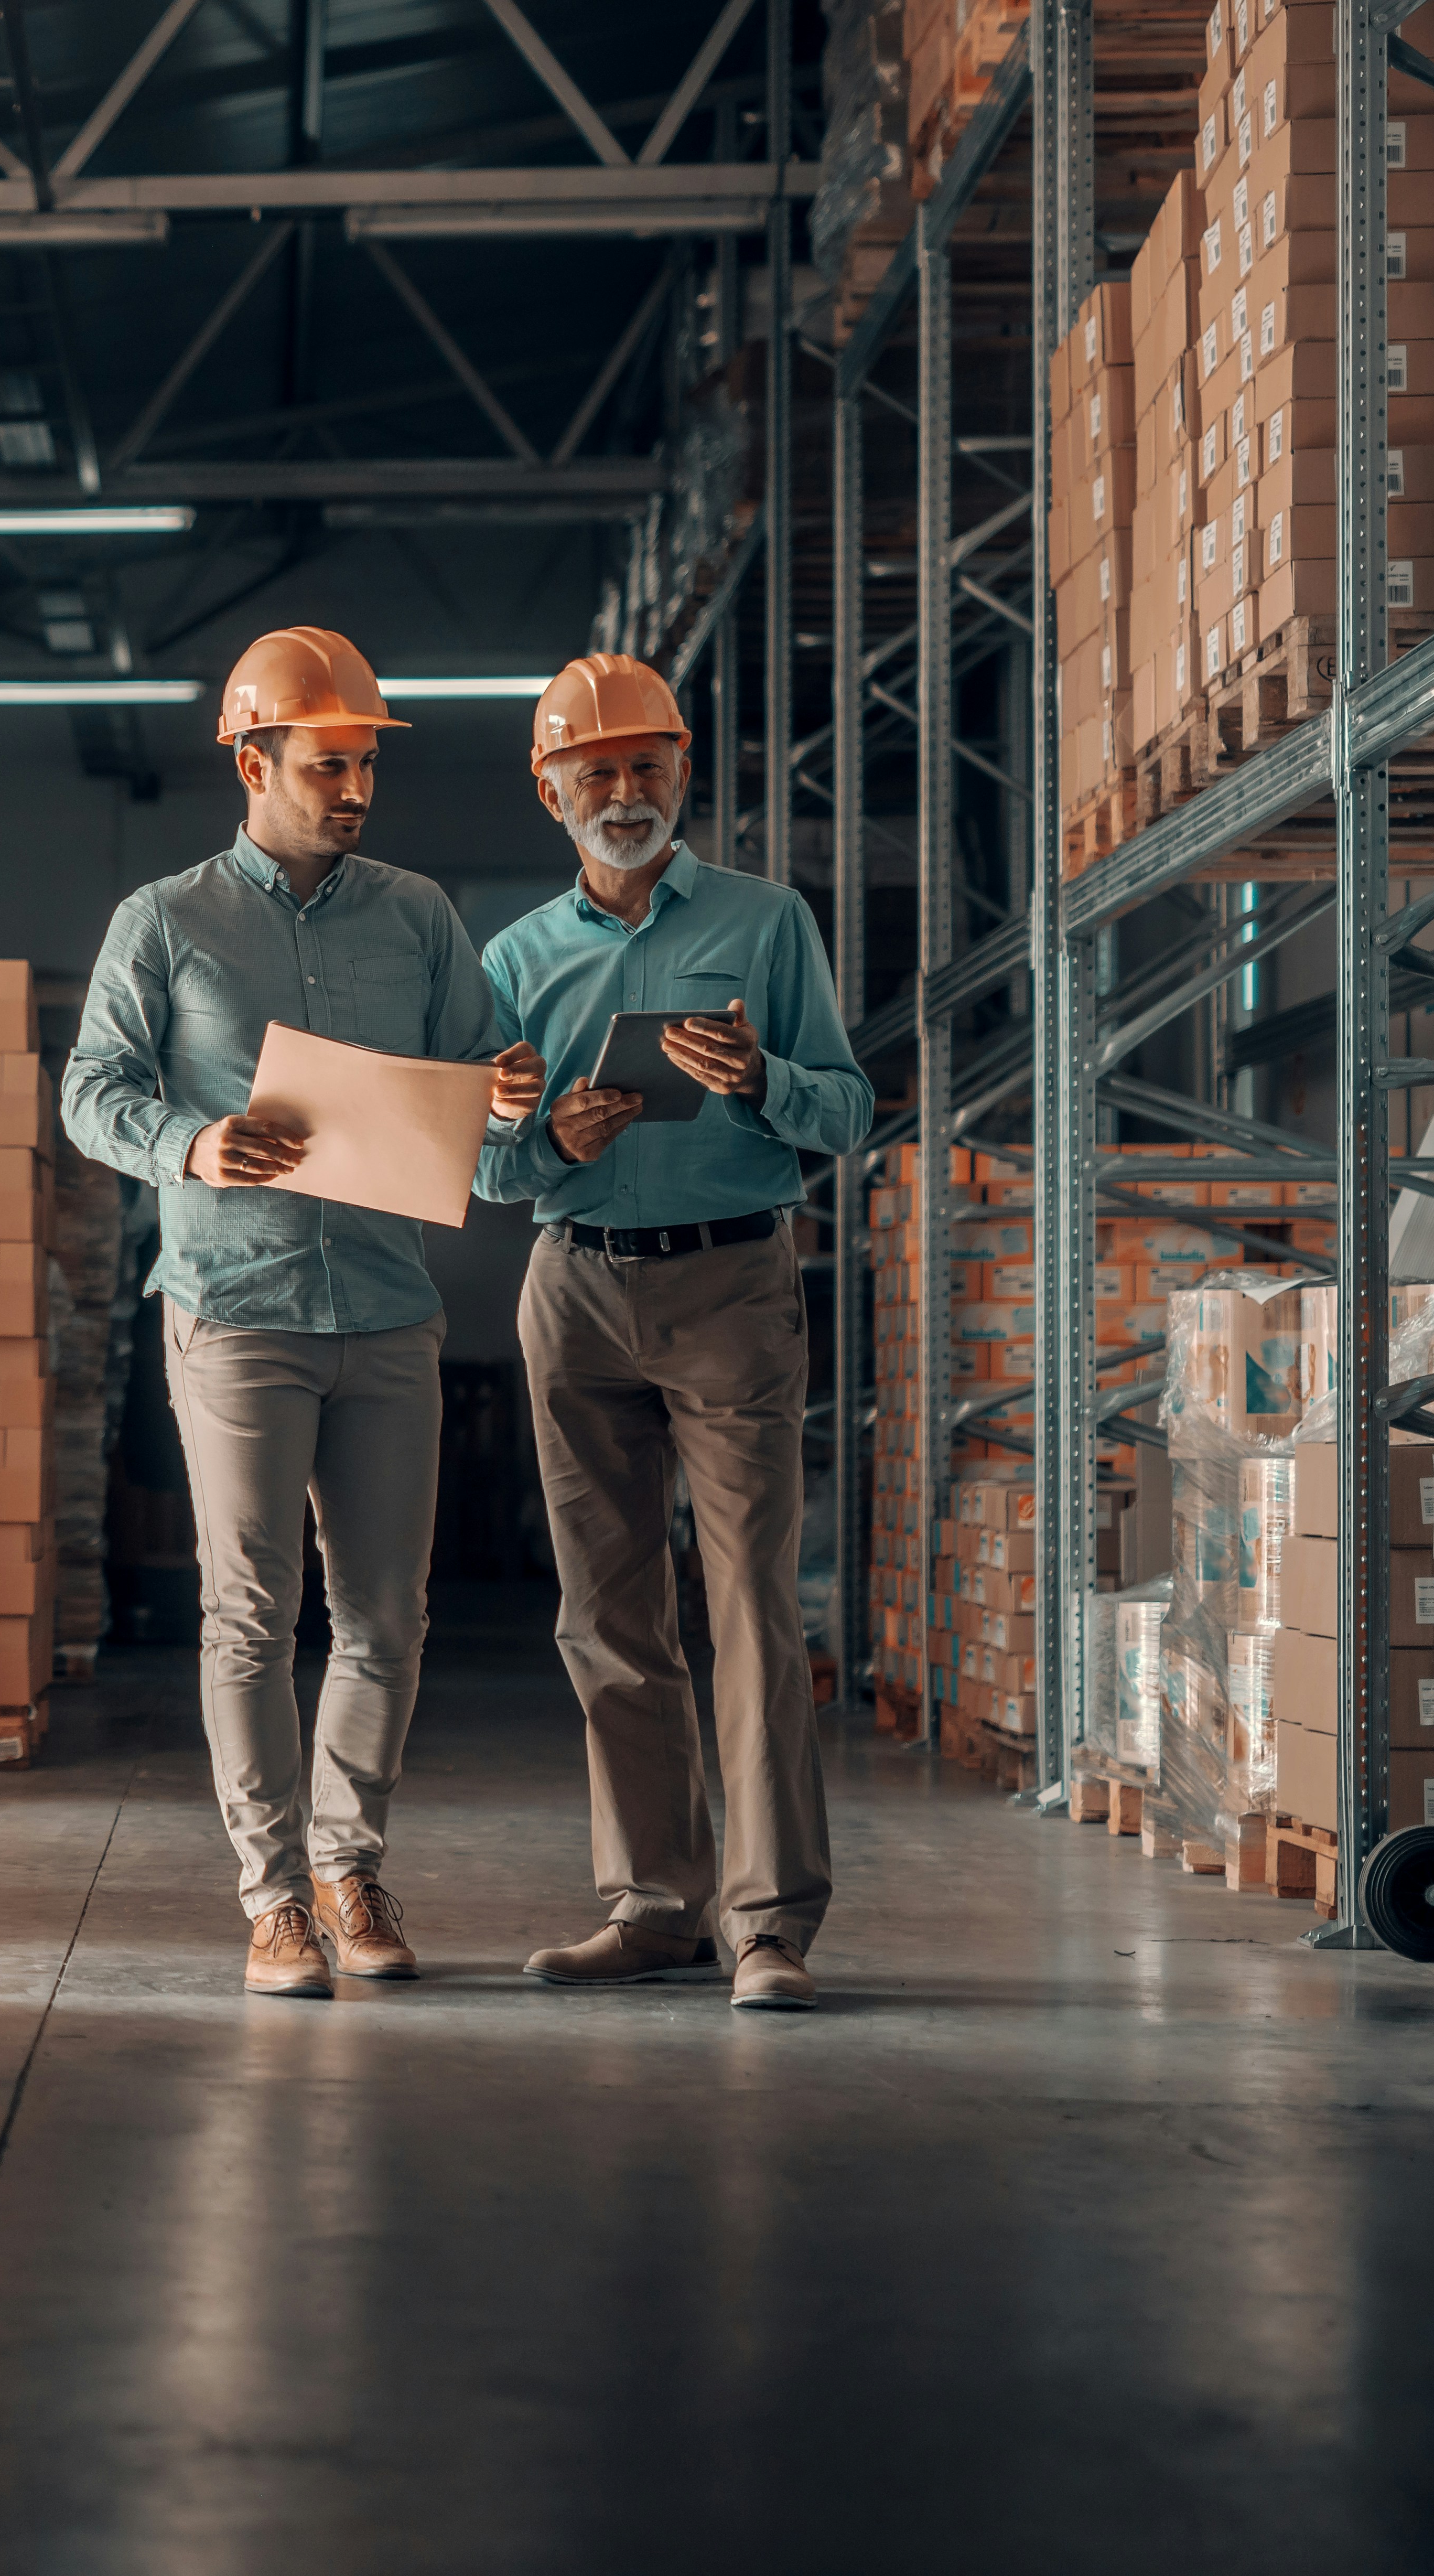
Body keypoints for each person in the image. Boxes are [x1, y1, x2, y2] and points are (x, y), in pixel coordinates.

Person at [61, 628, 543, 2000]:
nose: (355, 789)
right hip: (235, 1303)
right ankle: (273, 1897)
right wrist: (195, 1147)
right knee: (250, 1613)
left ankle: (351, 1865)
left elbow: (481, 1085)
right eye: (329, 764)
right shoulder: (163, 921)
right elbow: (91, 1092)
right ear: (254, 760)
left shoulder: (419, 916)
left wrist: (507, 1092)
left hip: (389, 1305)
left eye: (364, 766)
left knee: (389, 1615)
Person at [473, 653, 875, 2012]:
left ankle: (767, 1928)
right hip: (576, 1291)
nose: (624, 792)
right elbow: (482, 1173)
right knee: (606, 1614)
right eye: (595, 772)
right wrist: (548, 1136)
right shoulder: (515, 961)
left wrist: (762, 1076)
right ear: (551, 793)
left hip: (731, 1291)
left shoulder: (767, 926)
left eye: (648, 766)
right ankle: (654, 1908)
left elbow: (845, 1112)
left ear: (684, 772)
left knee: (751, 1608)